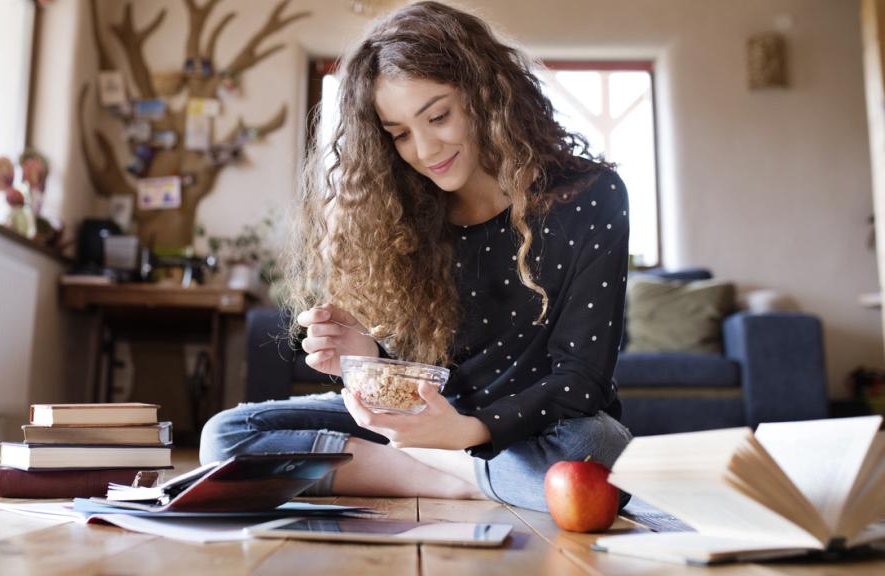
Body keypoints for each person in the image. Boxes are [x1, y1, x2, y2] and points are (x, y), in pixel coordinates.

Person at [200, 1, 633, 512]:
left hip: (541, 431)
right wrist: (364, 361)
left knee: (596, 449)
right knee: (226, 436)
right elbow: (425, 378)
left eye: (439, 116)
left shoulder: (590, 195)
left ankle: (438, 467)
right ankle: (461, 478)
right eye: (400, 133)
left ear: (485, 94)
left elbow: (582, 382)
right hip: (434, 426)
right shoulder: (404, 212)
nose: (425, 149)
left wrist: (467, 432)